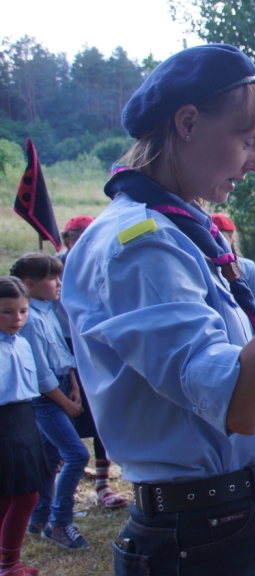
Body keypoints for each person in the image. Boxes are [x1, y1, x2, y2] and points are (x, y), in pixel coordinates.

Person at [60, 43, 255, 574]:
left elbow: (234, 398)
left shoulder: (186, 235)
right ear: (187, 123)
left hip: (236, 518)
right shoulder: (142, 248)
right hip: (203, 538)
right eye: (246, 141)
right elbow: (239, 403)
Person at [10, 254, 91, 550]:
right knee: (76, 455)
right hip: (46, 397)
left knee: (50, 456)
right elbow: (41, 373)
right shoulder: (29, 320)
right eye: (52, 278)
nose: (59, 283)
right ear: (30, 284)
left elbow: (61, 352)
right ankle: (59, 523)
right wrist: (65, 403)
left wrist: (73, 383)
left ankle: (39, 515)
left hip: (61, 385)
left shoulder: (47, 309)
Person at [55, 215, 131, 510]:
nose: (82, 242)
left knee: (101, 410)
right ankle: (63, 472)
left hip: (95, 343)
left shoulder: (102, 262)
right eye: (76, 236)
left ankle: (103, 483)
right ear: (67, 240)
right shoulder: (53, 268)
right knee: (64, 412)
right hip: (62, 346)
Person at [0, 276, 52, 576]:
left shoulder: (21, 343)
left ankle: (7, 562)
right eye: (7, 312)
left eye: (23, 311)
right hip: (4, 425)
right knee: (24, 497)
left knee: (11, 496)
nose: (17, 318)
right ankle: (9, 565)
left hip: (24, 420)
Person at [211, 213, 255, 314]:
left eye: (220, 238)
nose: (215, 242)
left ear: (231, 237)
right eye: (211, 238)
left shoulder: (248, 267)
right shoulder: (203, 267)